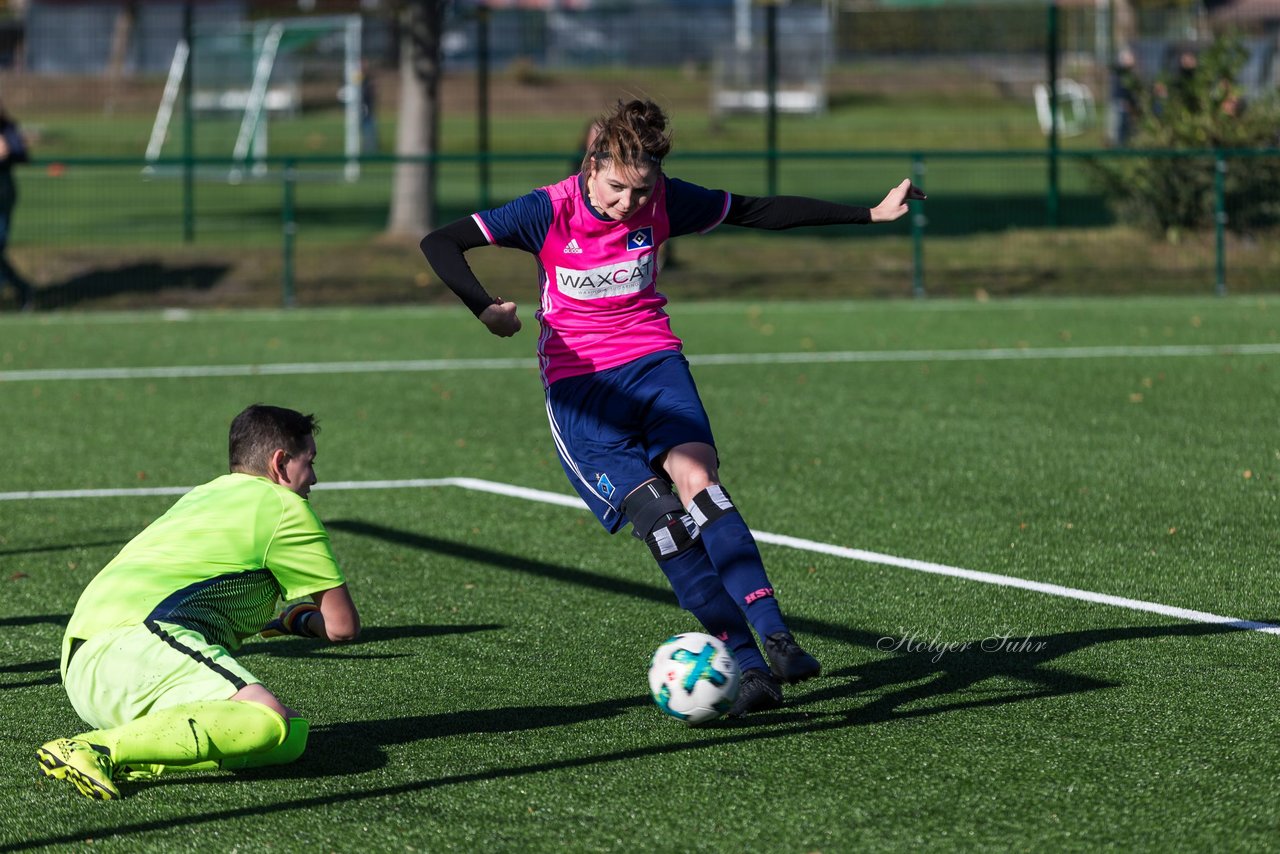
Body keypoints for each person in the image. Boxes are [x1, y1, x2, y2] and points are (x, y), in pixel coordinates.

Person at [422, 98, 925, 717]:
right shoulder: (546, 209)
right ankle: (747, 664)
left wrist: (869, 214)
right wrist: (484, 307)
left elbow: (756, 210)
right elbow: (440, 241)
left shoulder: (664, 200)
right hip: (581, 393)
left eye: (641, 191)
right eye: (616, 188)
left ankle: (777, 637)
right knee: (662, 523)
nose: (628, 204)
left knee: (699, 482)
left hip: (655, 364)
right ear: (592, 163)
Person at [37, 404, 361, 800]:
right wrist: (304, 622)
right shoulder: (285, 508)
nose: (313, 477)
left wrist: (292, 620)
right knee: (264, 718)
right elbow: (343, 627)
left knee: (289, 737)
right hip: (136, 644)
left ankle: (134, 754)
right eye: (309, 462)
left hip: (85, 667)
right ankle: (97, 748)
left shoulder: (204, 495)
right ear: (280, 462)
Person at [0, 101, 32, 311]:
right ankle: (23, 289)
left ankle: (23, 289)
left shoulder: (6, 128)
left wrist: (9, 149)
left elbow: (22, 154)